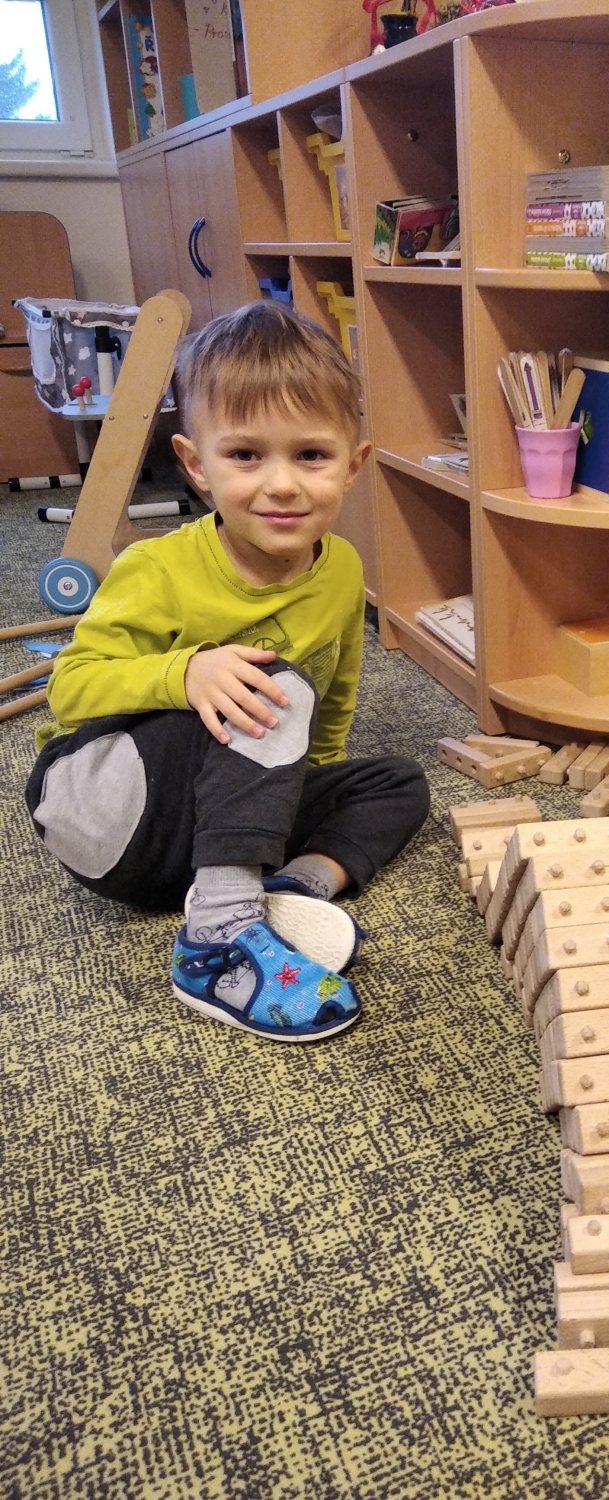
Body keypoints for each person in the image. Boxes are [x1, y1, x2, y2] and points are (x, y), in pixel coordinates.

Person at [25, 302, 430, 1039]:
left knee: (398, 782)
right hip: (104, 809)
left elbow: (335, 696)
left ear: (353, 465)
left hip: (217, 826)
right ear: (195, 465)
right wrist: (184, 675)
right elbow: (70, 688)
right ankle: (216, 941)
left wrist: (300, 790)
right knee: (271, 686)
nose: (282, 484)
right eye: (245, 455)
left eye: (311, 456)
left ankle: (283, 891)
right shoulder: (157, 567)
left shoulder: (341, 569)